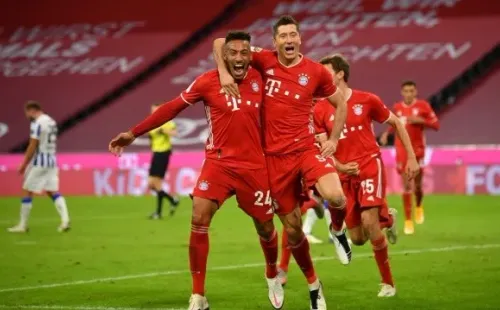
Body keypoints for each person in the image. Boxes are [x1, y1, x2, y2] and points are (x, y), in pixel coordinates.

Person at [108, 31, 284, 310]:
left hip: (254, 166)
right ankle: (198, 295)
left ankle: (272, 273)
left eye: (244, 53)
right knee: (199, 216)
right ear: (224, 56)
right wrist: (133, 133)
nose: (239, 58)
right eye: (233, 53)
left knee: (265, 227)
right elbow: (171, 108)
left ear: (251, 55)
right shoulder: (207, 82)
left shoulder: (262, 78)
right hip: (218, 163)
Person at [214, 15, 348, 310]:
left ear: (300, 39)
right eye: (283, 36)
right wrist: (224, 72)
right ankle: (314, 285)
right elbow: (220, 42)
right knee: (293, 230)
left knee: (336, 197)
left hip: (306, 150)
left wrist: (334, 139)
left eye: (293, 35)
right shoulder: (264, 59)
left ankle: (338, 230)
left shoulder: (315, 71)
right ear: (274, 41)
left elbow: (341, 103)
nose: (288, 40)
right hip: (273, 161)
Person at [315, 54, 420, 297]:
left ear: (340, 73)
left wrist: (412, 158)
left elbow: (397, 124)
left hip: (369, 165)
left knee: (370, 222)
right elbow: (323, 147)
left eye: (326, 71)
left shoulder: (367, 100)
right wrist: (340, 167)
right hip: (344, 174)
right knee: (359, 238)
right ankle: (389, 220)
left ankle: (388, 284)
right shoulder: (319, 109)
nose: (321, 77)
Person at [380, 80, 440, 234]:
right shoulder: (398, 108)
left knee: (417, 186)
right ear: (402, 92)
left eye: (411, 91)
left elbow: (436, 125)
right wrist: (387, 134)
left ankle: (419, 205)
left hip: (418, 149)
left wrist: (420, 121)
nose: (408, 94)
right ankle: (408, 221)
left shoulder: (423, 106)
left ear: (415, 92)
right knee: (406, 185)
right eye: (405, 91)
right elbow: (393, 123)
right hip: (401, 150)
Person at [8, 101, 70, 233]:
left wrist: (24, 164)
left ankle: (22, 225)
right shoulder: (51, 121)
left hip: (40, 162)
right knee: (52, 191)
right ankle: (65, 221)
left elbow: (32, 145)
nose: (27, 116)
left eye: (27, 113)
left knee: (27, 190)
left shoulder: (37, 123)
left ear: (32, 110)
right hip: (52, 161)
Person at [146, 103, 179, 219]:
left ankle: (158, 213)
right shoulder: (151, 123)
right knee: (151, 184)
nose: (153, 113)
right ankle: (172, 200)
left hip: (163, 153)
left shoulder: (166, 122)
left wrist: (164, 131)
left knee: (157, 183)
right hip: (156, 153)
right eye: (152, 111)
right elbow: (151, 137)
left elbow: (175, 133)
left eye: (155, 111)